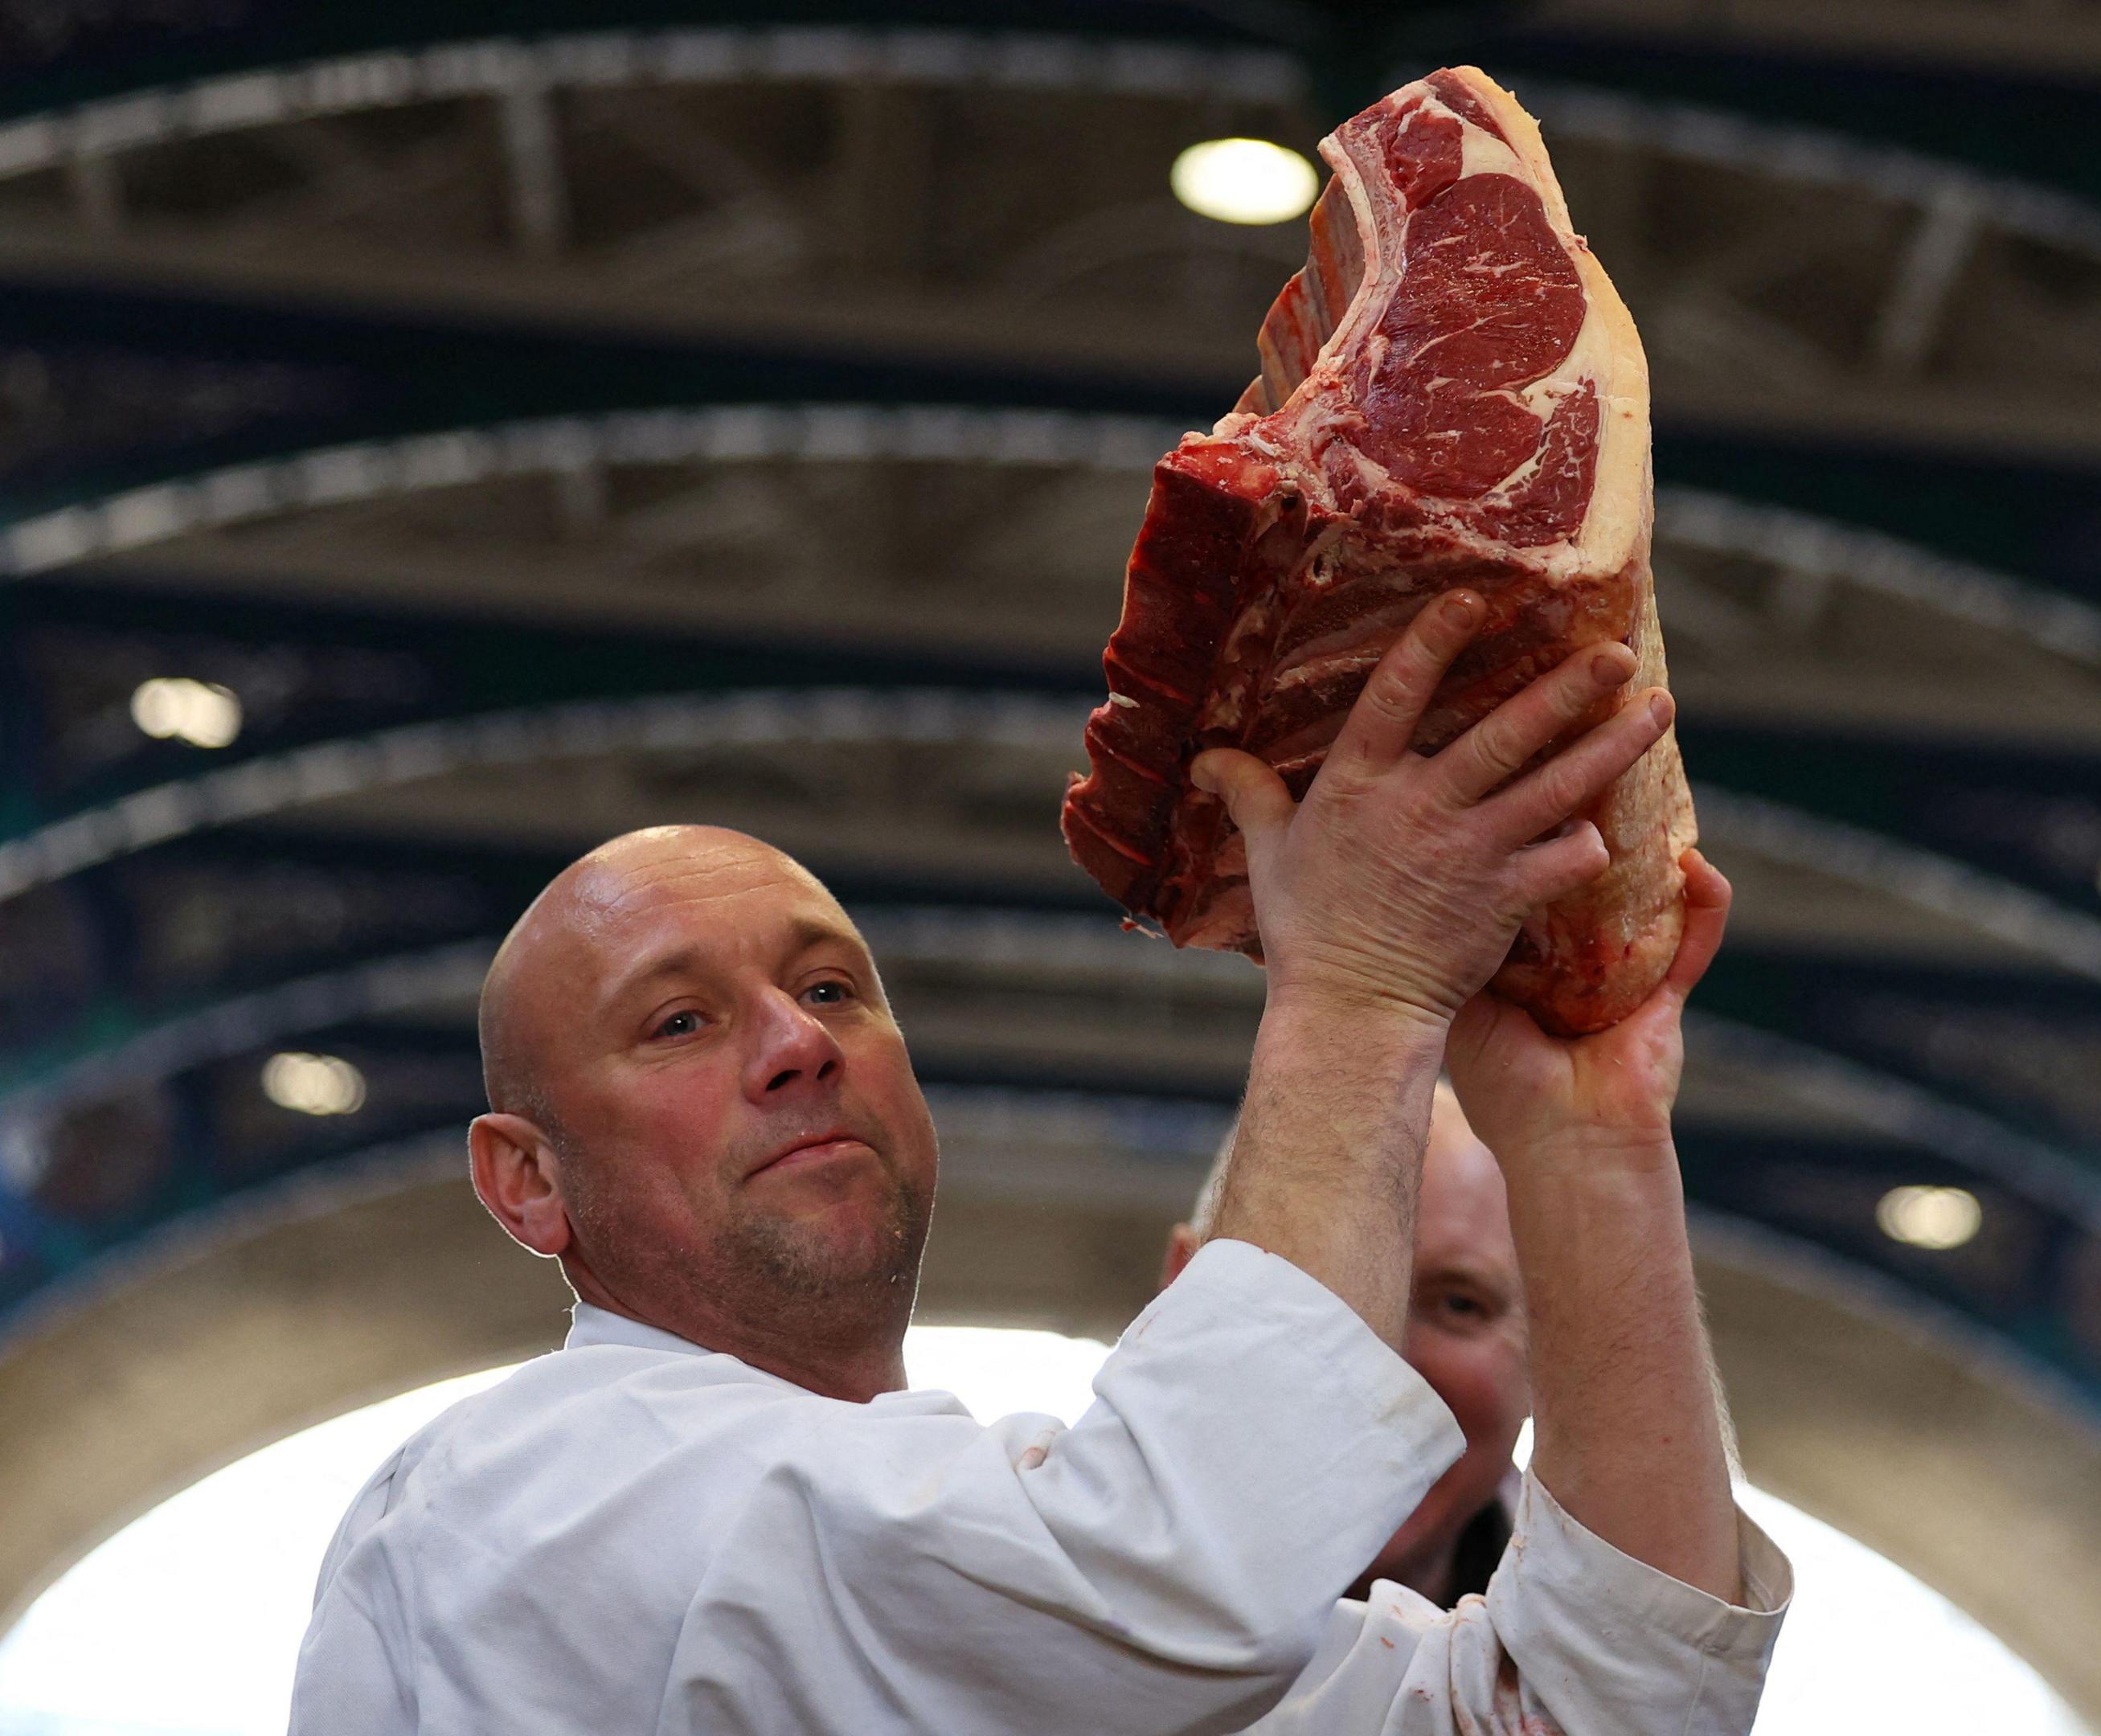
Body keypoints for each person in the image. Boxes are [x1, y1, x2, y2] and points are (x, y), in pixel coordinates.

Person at [288, 592, 1788, 1733]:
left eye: (829, 989)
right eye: (677, 1022)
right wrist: (1361, 990)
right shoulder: (535, 1489)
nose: (796, 1046)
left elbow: (1597, 1708)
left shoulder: (970, 1571)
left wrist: (1589, 1142)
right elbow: (1178, 1563)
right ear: (524, 1183)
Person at [1163, 1083, 1532, 1610]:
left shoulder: (1610, 1681)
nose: (1376, 1370)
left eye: (1457, 1304)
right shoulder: (1015, 1608)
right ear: (1179, 1287)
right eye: (1310, 1283)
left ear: (1549, 1363)